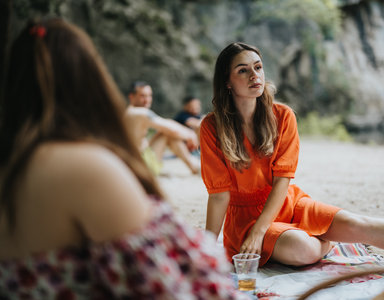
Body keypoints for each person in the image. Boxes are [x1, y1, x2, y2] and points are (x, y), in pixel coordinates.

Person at [0, 19, 249, 299]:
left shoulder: (14, 166)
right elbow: (166, 286)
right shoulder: (84, 168)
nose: (145, 99)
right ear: (90, 79)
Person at [200, 42, 384, 267]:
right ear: (227, 81)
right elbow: (219, 195)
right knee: (301, 248)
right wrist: (208, 248)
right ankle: (329, 242)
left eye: (258, 67)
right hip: (246, 222)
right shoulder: (212, 127)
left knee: (358, 224)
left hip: (288, 203)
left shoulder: (282, 115)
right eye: (243, 70)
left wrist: (261, 230)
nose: (255, 75)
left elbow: (282, 181)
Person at [127, 82, 201, 175]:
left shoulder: (130, 113)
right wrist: (191, 136)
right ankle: (195, 167)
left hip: (137, 160)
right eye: (142, 96)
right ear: (131, 96)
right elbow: (170, 128)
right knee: (167, 133)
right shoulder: (138, 113)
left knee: (162, 132)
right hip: (141, 167)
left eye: (149, 96)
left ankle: (195, 166)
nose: (147, 100)